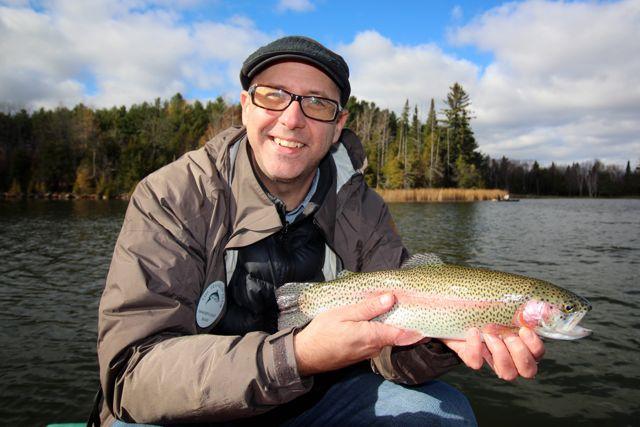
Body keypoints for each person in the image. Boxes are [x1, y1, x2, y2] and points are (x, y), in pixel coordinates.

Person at [96, 36, 544, 426]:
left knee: (446, 413)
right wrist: (298, 354)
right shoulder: (173, 195)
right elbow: (131, 377)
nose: (292, 119)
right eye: (273, 95)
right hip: (186, 409)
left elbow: (391, 361)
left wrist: (440, 336)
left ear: (338, 125)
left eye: (316, 103)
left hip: (310, 398)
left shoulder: (362, 209)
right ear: (245, 105)